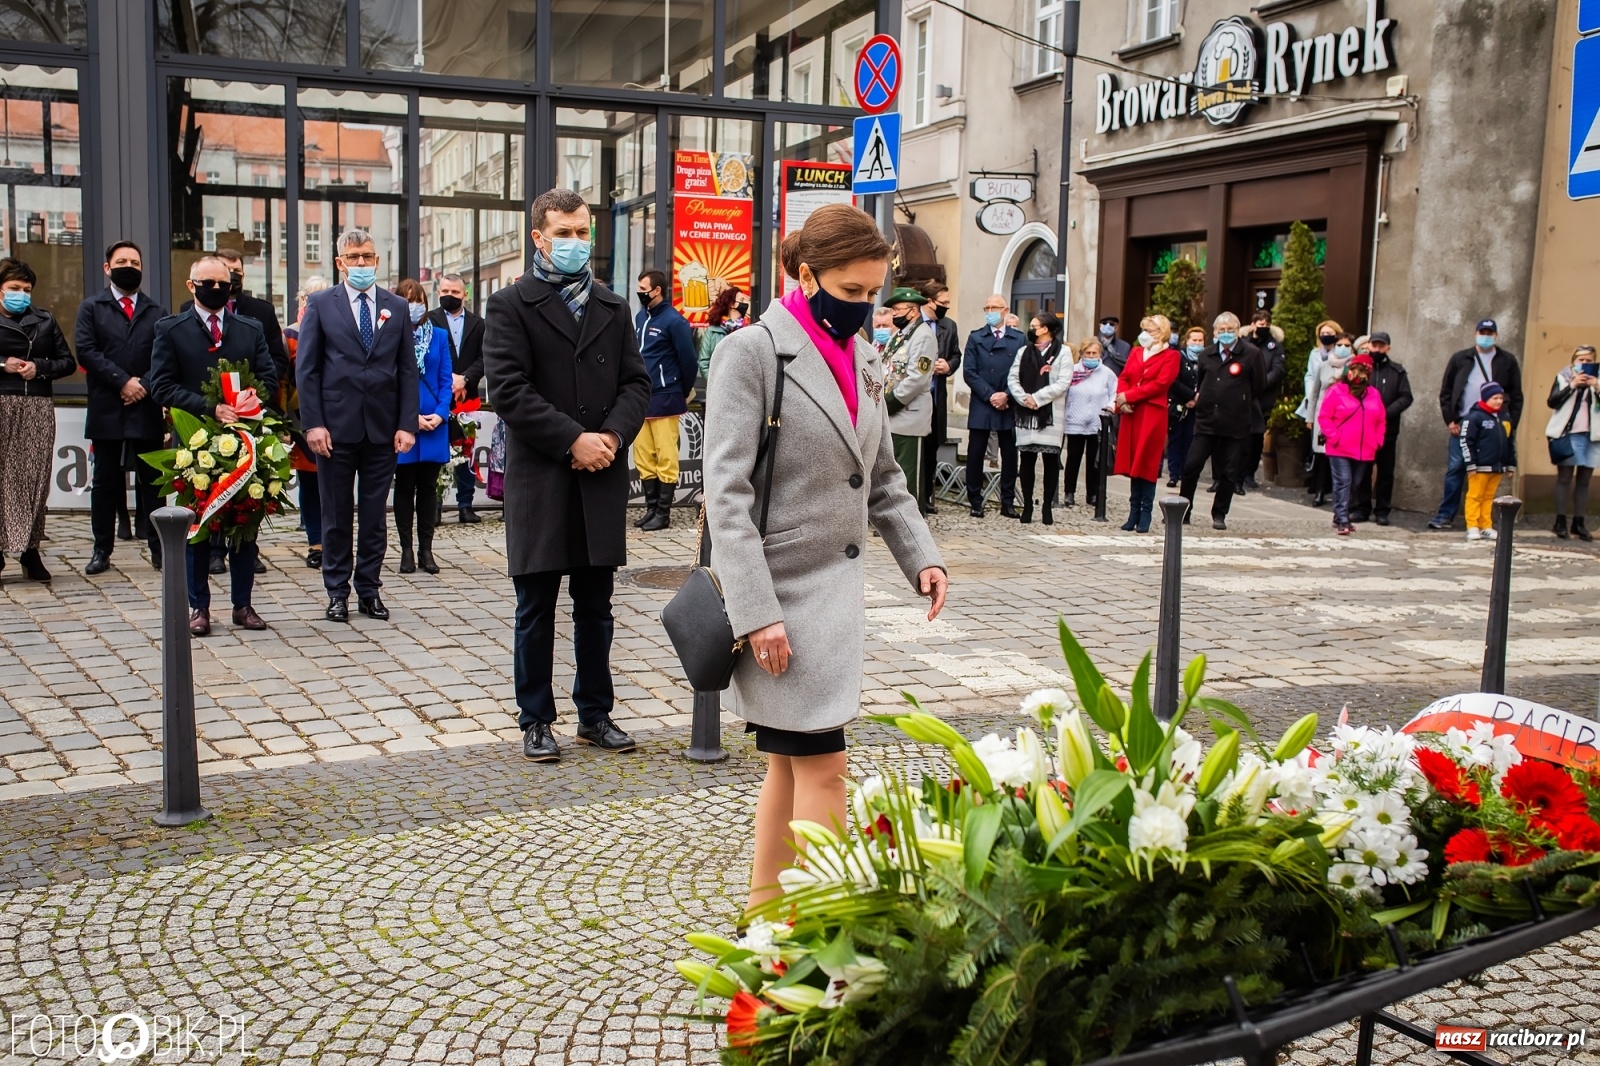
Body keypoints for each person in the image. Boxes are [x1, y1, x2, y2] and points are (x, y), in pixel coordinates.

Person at [702, 202, 947, 912]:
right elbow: (726, 494)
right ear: (805, 275)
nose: (864, 307)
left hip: (830, 603)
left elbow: (883, 477)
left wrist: (919, 556)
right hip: (780, 601)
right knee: (826, 773)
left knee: (789, 765)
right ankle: (825, 932)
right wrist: (755, 612)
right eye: (850, 291)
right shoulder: (751, 351)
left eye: (873, 293)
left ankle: (767, 919)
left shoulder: (866, 356)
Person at [483, 187, 650, 763]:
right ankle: (535, 719)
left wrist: (609, 437)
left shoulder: (611, 306)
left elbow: (636, 384)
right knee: (535, 607)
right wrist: (571, 440)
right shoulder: (509, 305)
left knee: (596, 606)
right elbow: (507, 389)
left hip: (600, 473)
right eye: (564, 233)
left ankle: (595, 714)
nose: (576, 243)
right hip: (543, 478)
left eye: (583, 233)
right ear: (539, 237)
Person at [146, 256, 278, 633]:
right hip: (194, 440)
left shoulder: (249, 329)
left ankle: (243, 605)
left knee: (243, 523)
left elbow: (268, 375)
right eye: (209, 283)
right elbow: (162, 385)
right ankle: (198, 608)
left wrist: (247, 404)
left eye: (225, 282)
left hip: (243, 438)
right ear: (192, 286)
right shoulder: (171, 329)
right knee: (197, 528)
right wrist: (209, 407)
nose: (217, 289)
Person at [296, 228, 417, 624]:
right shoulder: (320, 304)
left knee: (373, 516)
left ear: (377, 260)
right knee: (335, 516)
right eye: (354, 258)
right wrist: (313, 423)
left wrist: (406, 424)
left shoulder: (395, 307)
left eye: (367, 256)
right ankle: (337, 592)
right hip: (334, 429)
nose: (361, 263)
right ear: (339, 263)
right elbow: (308, 369)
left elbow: (406, 370)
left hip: (382, 430)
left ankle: (369, 589)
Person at [76, 241, 163, 575]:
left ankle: (159, 549)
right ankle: (102, 549)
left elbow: (164, 357)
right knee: (104, 482)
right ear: (107, 267)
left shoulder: (156, 312)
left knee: (153, 483)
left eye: (135, 261)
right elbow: (86, 350)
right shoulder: (91, 307)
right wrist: (122, 382)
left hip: (146, 407)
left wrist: (143, 384)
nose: (130, 266)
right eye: (122, 261)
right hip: (107, 406)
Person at [0, 257, 74, 583]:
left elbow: (67, 362)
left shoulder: (43, 319)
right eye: (14, 288)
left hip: (36, 407)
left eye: (27, 290)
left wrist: (39, 367)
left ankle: (30, 550)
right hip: (2, 401)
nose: (21, 294)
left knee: (34, 479)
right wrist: (4, 363)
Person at [1429, 319, 1524, 531]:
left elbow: (1516, 395)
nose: (1486, 335)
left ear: (1496, 336)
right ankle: (1445, 515)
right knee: (1456, 468)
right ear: (1475, 333)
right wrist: (1450, 419)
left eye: (1490, 332)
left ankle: (1483, 522)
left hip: (1495, 423)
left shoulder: (1507, 361)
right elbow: (1446, 391)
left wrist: (1510, 424)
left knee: (1488, 476)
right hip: (1463, 421)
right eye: (1483, 331)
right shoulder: (1461, 358)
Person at [1179, 313, 1266, 531]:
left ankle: (1219, 513)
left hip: (1236, 423)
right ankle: (1183, 510)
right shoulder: (1206, 355)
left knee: (1229, 472)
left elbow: (1259, 384)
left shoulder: (1252, 354)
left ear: (1238, 331)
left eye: (1230, 330)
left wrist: (1240, 400)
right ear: (1215, 332)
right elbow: (1202, 382)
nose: (1226, 334)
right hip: (1207, 421)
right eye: (1222, 330)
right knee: (1191, 466)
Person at [393, 279, 454, 576]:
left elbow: (446, 380)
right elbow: (388, 383)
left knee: (428, 488)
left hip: (434, 424)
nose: (413, 305)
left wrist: (441, 414)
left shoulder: (439, 336)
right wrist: (408, 417)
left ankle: (426, 549)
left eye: (417, 299)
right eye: (406, 300)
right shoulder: (391, 336)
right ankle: (406, 549)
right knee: (404, 487)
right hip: (405, 425)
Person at [633, 268, 697, 532]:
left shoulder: (675, 322)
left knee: (666, 455)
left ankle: (663, 513)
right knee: (643, 454)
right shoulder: (640, 317)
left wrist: (681, 390)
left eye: (643, 289)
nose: (640, 293)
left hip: (666, 396)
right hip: (641, 397)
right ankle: (651, 509)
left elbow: (689, 362)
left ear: (657, 290)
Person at [1113, 315, 1179, 533]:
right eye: (1145, 330)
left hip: (1151, 413)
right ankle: (1133, 512)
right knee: (1134, 463)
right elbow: (1124, 377)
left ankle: (1145, 513)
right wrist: (1121, 398)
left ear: (1162, 333)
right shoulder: (1135, 352)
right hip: (1132, 412)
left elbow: (1159, 384)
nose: (1147, 335)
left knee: (1147, 462)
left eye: (1152, 331)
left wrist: (1129, 396)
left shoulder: (1171, 356)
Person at [963, 294, 1026, 517]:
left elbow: (1023, 372)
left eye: (994, 307)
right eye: (987, 307)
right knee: (976, 453)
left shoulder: (1019, 339)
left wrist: (1007, 395)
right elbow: (969, 372)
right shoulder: (976, 337)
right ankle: (975, 500)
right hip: (983, 401)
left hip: (1008, 403)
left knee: (1010, 455)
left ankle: (1007, 501)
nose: (990, 310)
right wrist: (990, 395)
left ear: (1005, 309)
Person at [1008, 312, 1071, 524]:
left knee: (1051, 461)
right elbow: (1013, 378)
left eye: (1035, 325)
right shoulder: (1023, 351)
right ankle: (1027, 505)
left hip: (1050, 413)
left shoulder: (1063, 352)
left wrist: (1038, 398)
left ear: (1046, 329)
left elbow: (1063, 382)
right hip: (1026, 414)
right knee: (1026, 460)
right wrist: (1024, 398)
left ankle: (1046, 507)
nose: (1031, 328)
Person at [285, 275, 330, 568]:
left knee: (335, 486)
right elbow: (284, 382)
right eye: (309, 296)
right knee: (311, 483)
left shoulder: (340, 331)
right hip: (302, 418)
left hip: (338, 416)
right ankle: (316, 542)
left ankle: (334, 539)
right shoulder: (290, 334)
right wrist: (285, 426)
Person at [881, 287, 938, 514]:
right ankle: (893, 515)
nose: (894, 313)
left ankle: (909, 516)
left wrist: (891, 402)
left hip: (909, 415)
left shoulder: (923, 336)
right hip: (893, 414)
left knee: (907, 471)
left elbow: (918, 378)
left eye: (897, 309)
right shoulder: (900, 336)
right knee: (893, 470)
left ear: (913, 311)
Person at [1317, 352, 1387, 536]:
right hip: (1340, 447)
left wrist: (1377, 440)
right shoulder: (1336, 390)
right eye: (1354, 370)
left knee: (1354, 484)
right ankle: (1342, 519)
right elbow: (1325, 417)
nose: (1357, 375)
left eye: (1362, 371)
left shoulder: (1374, 394)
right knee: (1343, 482)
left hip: (1365, 449)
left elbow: (1381, 419)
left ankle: (1339, 514)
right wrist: (1334, 437)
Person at [435, 273, 486, 524]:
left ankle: (465, 504)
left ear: (464, 294)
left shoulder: (479, 324)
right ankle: (434, 506)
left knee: (467, 453)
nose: (449, 296)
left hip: (468, 398)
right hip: (437, 398)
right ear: (438, 293)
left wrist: (465, 379)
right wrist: (449, 380)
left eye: (454, 293)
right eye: (445, 292)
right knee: (437, 451)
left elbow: (485, 357)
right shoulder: (429, 320)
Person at [1351, 331, 1412, 525]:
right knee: (1363, 470)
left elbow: (1406, 397)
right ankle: (1361, 508)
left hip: (1387, 430)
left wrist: (1386, 412)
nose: (1377, 349)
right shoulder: (1360, 368)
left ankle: (1382, 510)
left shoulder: (1397, 372)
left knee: (1386, 472)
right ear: (1368, 345)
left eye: (1381, 346)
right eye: (1374, 345)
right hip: (1364, 430)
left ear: (1388, 348)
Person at [1546, 345, 1599, 541]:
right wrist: (1573, 385)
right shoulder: (1564, 377)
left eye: (1589, 360)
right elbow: (1552, 402)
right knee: (1565, 478)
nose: (1584, 364)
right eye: (1581, 360)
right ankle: (1560, 521)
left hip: (1593, 436)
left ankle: (1579, 522)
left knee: (1584, 480)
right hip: (1568, 434)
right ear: (1573, 361)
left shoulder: (1598, 378)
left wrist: (1597, 386)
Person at [1061, 337, 1118, 509]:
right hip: (1075, 420)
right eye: (1088, 353)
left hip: (1097, 422)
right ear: (1082, 354)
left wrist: (1109, 407)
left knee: (1095, 460)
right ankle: (1069, 492)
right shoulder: (1073, 371)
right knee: (1073, 458)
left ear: (1100, 354)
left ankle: (1093, 493)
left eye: (1094, 353)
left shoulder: (1107, 373)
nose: (1091, 356)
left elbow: (1114, 393)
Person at [918, 282, 960, 513]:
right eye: (942, 303)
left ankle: (928, 496)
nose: (946, 308)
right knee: (917, 449)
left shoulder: (948, 326)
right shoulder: (914, 324)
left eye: (948, 304)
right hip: (915, 399)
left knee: (932, 449)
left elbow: (956, 355)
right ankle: (914, 494)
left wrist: (949, 365)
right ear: (928, 301)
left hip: (936, 397)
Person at [1461, 382, 1516, 542]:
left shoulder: (1504, 418)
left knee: (1488, 497)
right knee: (1475, 496)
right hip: (1479, 466)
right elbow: (1466, 441)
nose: (1499, 401)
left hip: (1497, 466)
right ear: (1485, 398)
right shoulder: (1475, 417)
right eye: (1495, 398)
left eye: (1501, 398)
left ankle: (1485, 526)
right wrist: (1470, 463)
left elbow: (1509, 442)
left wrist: (1510, 463)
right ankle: (1472, 525)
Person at [1243, 309, 1286, 491]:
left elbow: (1278, 370)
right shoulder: (1243, 343)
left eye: (1267, 325)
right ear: (1253, 325)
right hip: (1242, 397)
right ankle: (1235, 472)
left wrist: (1260, 383)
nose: (1264, 328)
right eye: (1261, 325)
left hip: (1262, 399)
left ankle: (1249, 473)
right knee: (1240, 437)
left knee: (1256, 438)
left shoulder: (1274, 346)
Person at [1166, 326, 1205, 489]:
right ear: (1187, 341)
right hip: (1179, 405)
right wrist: (1189, 396)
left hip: (1197, 407)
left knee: (1190, 440)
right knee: (1176, 439)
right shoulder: (1179, 357)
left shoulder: (1206, 358)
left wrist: (1197, 398)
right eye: (1194, 340)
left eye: (1200, 340)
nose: (1197, 343)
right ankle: (1174, 474)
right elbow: (1173, 381)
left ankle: (1185, 472)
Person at [697, 285, 741, 397]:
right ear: (732, 304)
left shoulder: (748, 330)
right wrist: (716, 383)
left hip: (741, 392)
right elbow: (704, 362)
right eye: (742, 300)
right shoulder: (712, 331)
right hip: (718, 392)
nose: (746, 303)